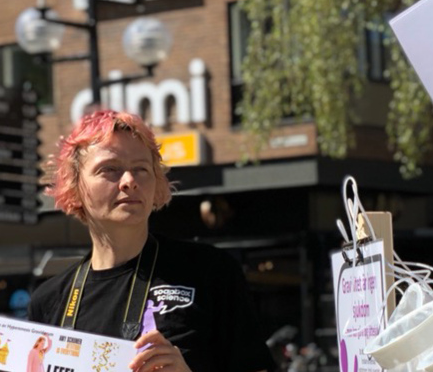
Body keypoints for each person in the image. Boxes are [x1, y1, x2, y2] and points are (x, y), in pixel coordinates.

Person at [28, 110, 272, 372]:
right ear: (74, 186)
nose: (129, 181)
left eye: (141, 169)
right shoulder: (50, 300)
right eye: (109, 169)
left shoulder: (211, 271)